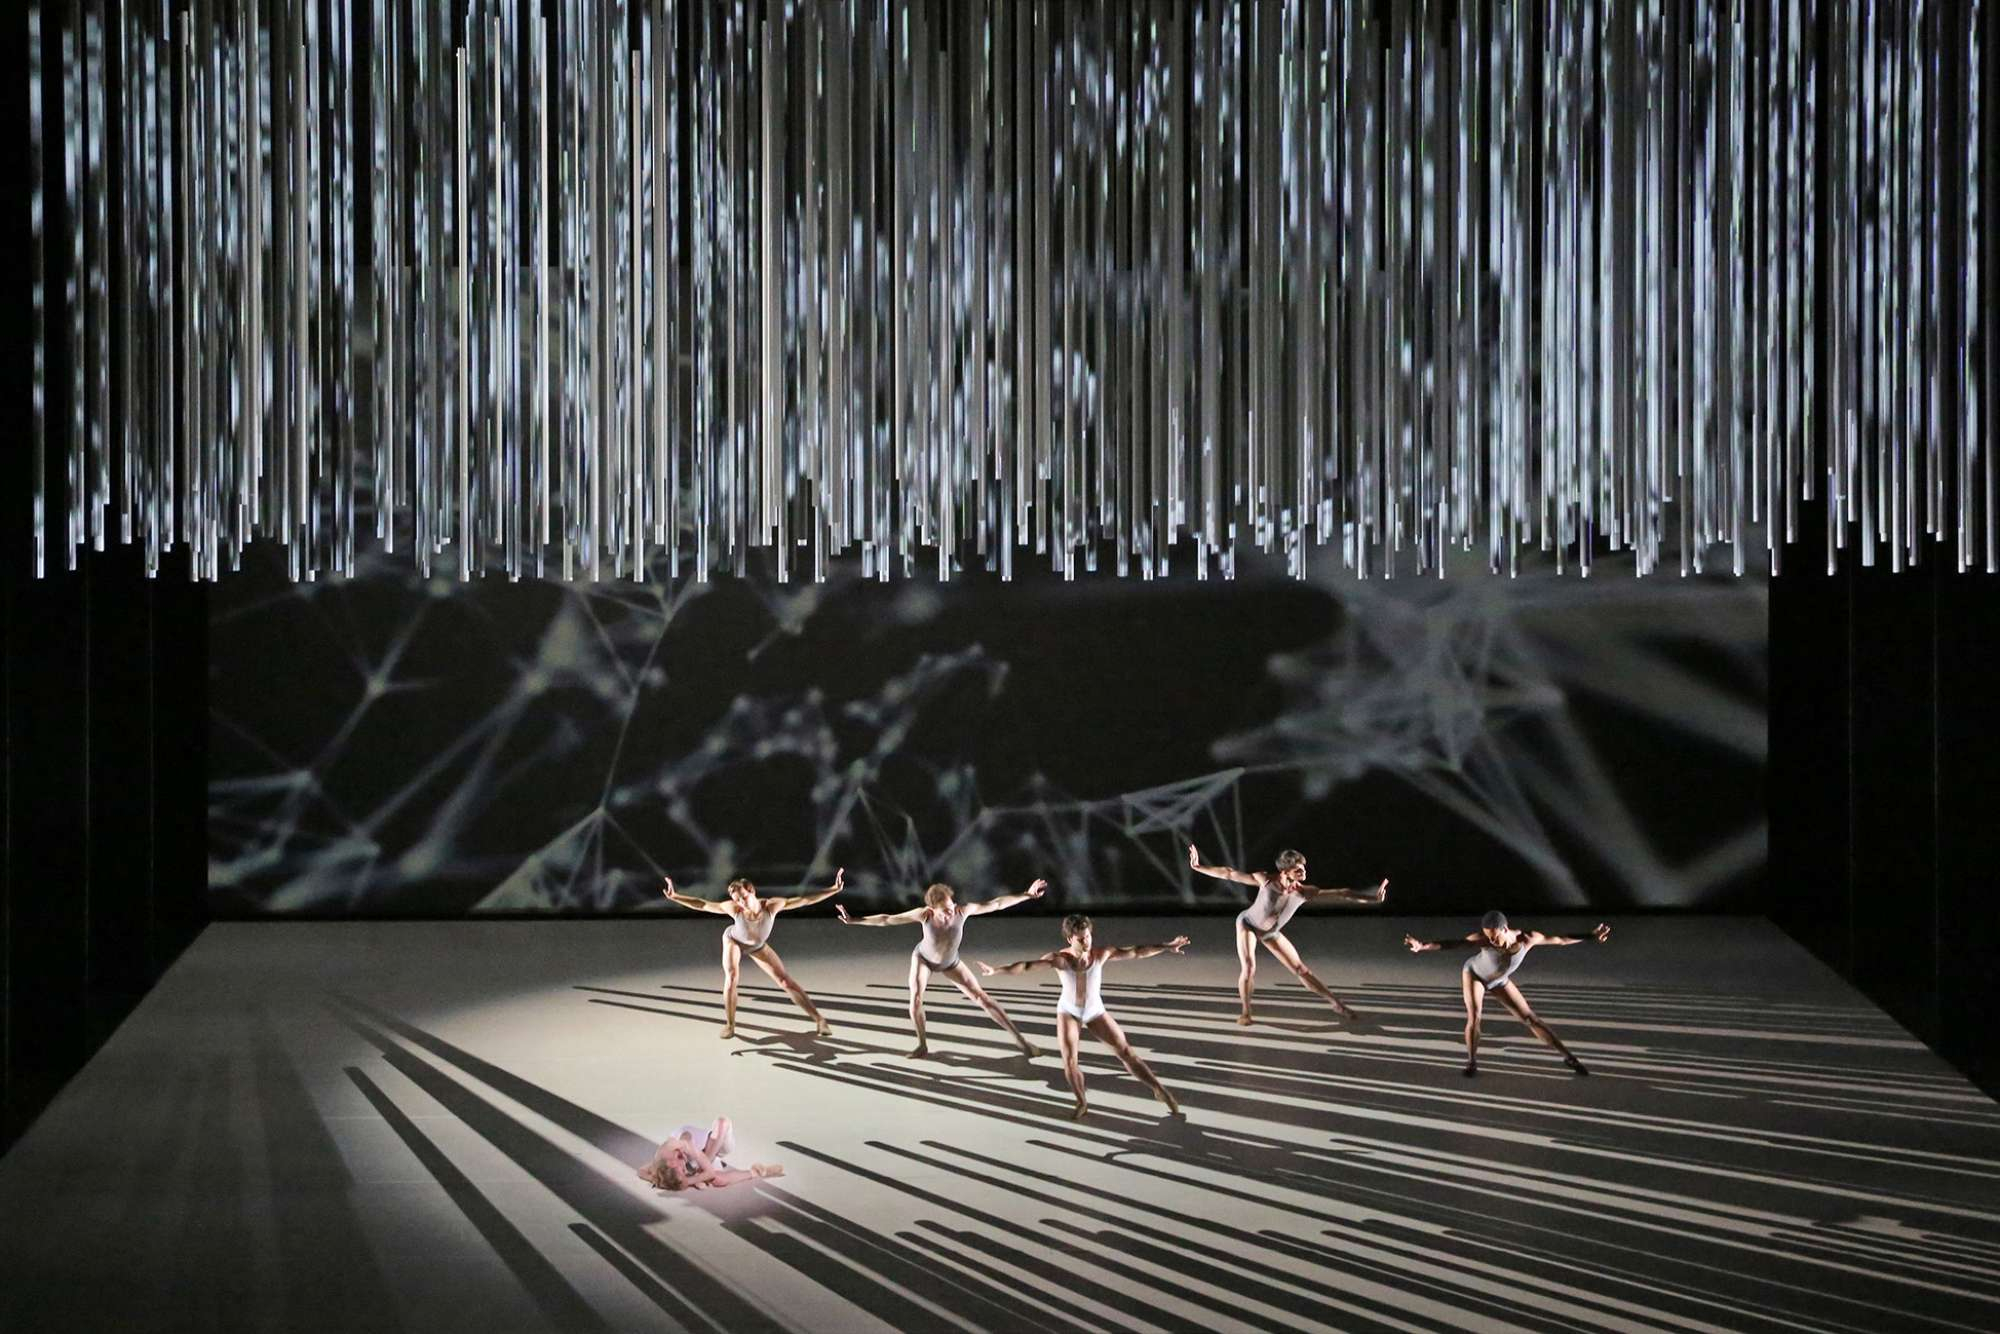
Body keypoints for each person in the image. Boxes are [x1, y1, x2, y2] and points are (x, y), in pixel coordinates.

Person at [978, 915, 1188, 1121]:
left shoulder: (1101, 954)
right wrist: (996, 970)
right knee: (1070, 1061)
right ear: (1070, 939)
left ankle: (1159, 1089)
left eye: (1088, 936)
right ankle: (1081, 1102)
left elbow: (1135, 951)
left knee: (1126, 1052)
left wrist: (1167, 946)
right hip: (1069, 1011)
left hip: (1094, 1010)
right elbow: (1025, 966)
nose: (1086, 942)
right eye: (1080, 939)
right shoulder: (1060, 959)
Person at [836, 879, 1047, 1058]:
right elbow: (887, 919)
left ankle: (1021, 1041)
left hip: (950, 962)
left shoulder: (962, 911)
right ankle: (922, 1044)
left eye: (952, 905)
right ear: (932, 909)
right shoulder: (924, 915)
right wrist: (854, 920)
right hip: (923, 959)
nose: (951, 911)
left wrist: (1027, 895)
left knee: (982, 997)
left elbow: (997, 904)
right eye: (945, 910)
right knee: (915, 999)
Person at [1186, 844, 1388, 1026]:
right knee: (1248, 967)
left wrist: (1372, 899)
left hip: (1270, 932)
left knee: (1301, 969)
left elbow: (1342, 893)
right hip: (1248, 924)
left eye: (1304, 868)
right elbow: (1229, 873)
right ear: (1285, 871)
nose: (1304, 872)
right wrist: (1198, 867)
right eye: (1298, 869)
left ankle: (1337, 1005)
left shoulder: (1304, 892)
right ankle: (1246, 1012)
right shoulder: (1266, 880)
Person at [1403, 911, 1611, 1076]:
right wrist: (1422, 946)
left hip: (1499, 981)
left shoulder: (1527, 938)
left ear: (1505, 929)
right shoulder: (1484, 939)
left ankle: (1569, 1057)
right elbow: (1453, 943)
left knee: (1531, 1019)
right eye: (1488, 937)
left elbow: (1560, 940)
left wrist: (1590, 936)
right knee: (1475, 1017)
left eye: (1494, 937)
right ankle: (1471, 1062)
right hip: (1475, 975)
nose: (1491, 941)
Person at [661, 870, 844, 1038]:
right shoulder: (734, 909)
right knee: (732, 977)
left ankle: (820, 1020)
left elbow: (805, 900)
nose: (740, 902)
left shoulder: (771, 906)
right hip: (733, 940)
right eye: (737, 900)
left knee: (785, 981)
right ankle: (730, 1025)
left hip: (757, 945)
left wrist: (833, 889)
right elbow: (703, 905)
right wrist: (676, 896)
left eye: (743, 897)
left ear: (752, 891)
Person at [637, 1116, 784, 1191]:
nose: (684, 1170)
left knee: (722, 1122)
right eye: (684, 1172)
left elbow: (709, 1172)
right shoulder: (663, 1166)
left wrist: (690, 1180)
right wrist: (682, 1181)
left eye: (681, 1170)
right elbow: (641, 1171)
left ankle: (701, 1166)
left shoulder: (683, 1146)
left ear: (671, 1163)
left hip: (717, 1144)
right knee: (719, 1181)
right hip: (702, 1159)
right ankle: (758, 1171)